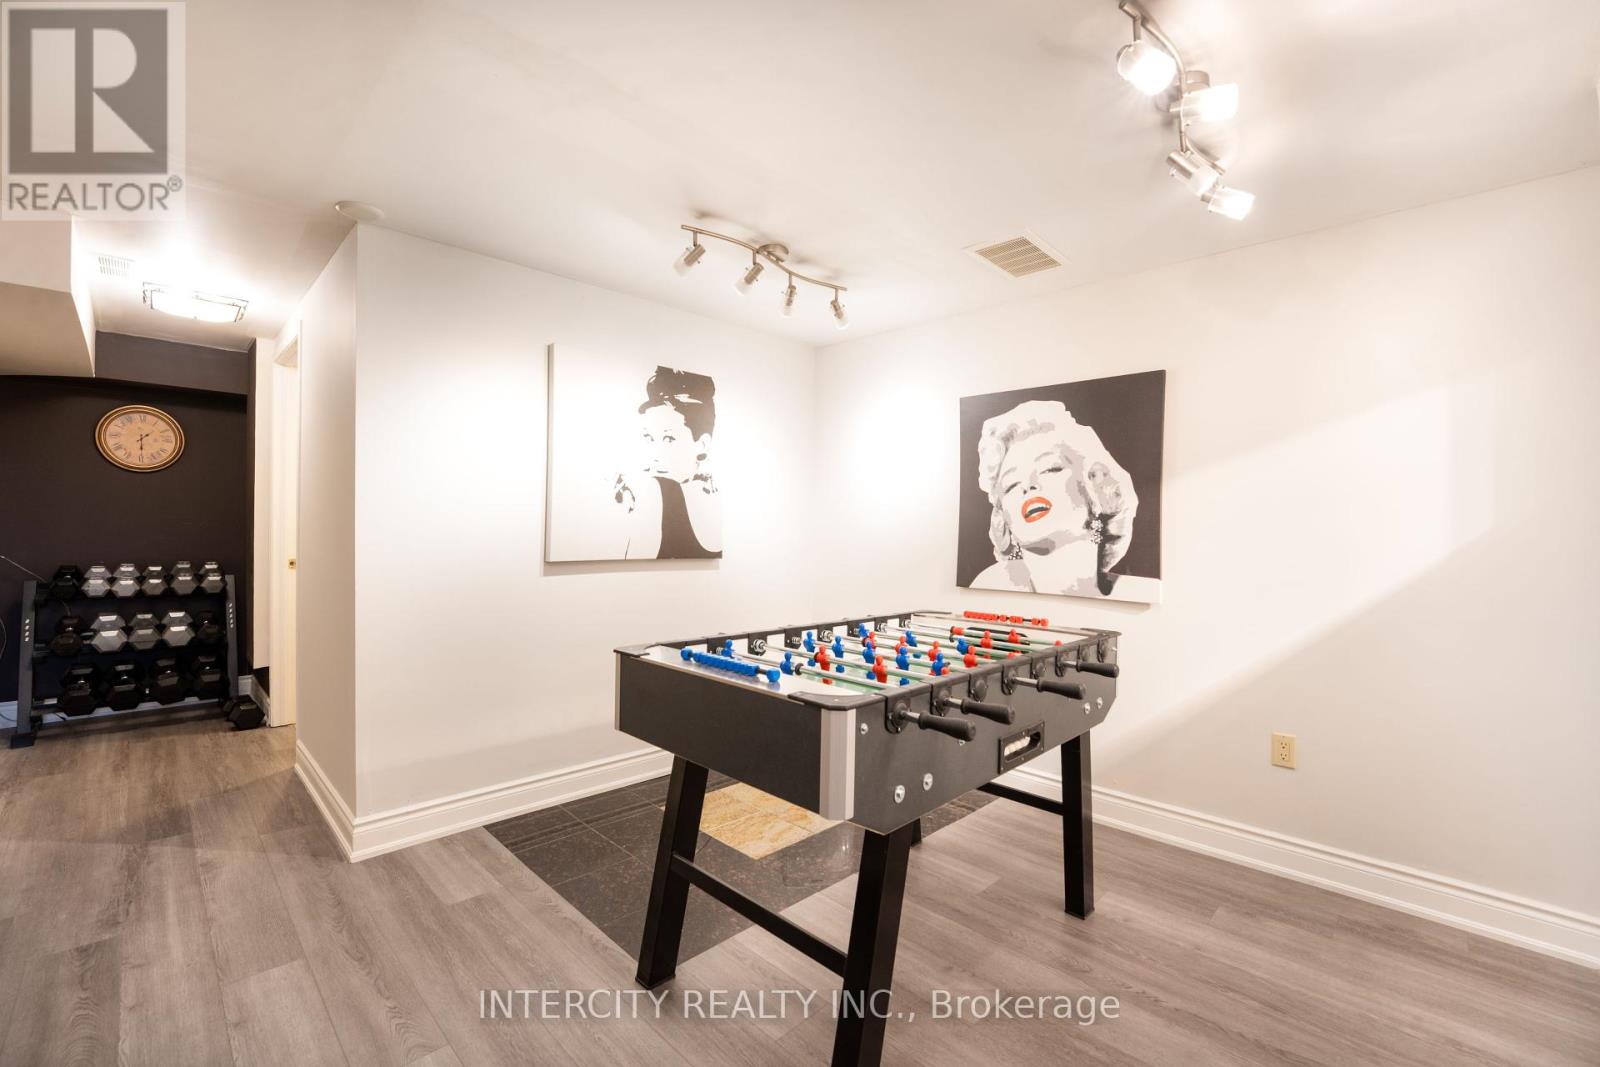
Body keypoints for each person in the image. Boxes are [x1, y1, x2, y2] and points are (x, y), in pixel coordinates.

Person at [971, 399, 1140, 597]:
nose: (1028, 485)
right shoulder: (992, 588)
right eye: (1011, 485)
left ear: (1096, 486)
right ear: (1003, 517)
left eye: (1049, 469)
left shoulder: (1141, 593)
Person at [613, 367, 722, 559]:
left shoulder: (654, 491)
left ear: (702, 445)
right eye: (649, 438)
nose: (654, 454)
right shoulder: (714, 500)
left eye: (669, 439)